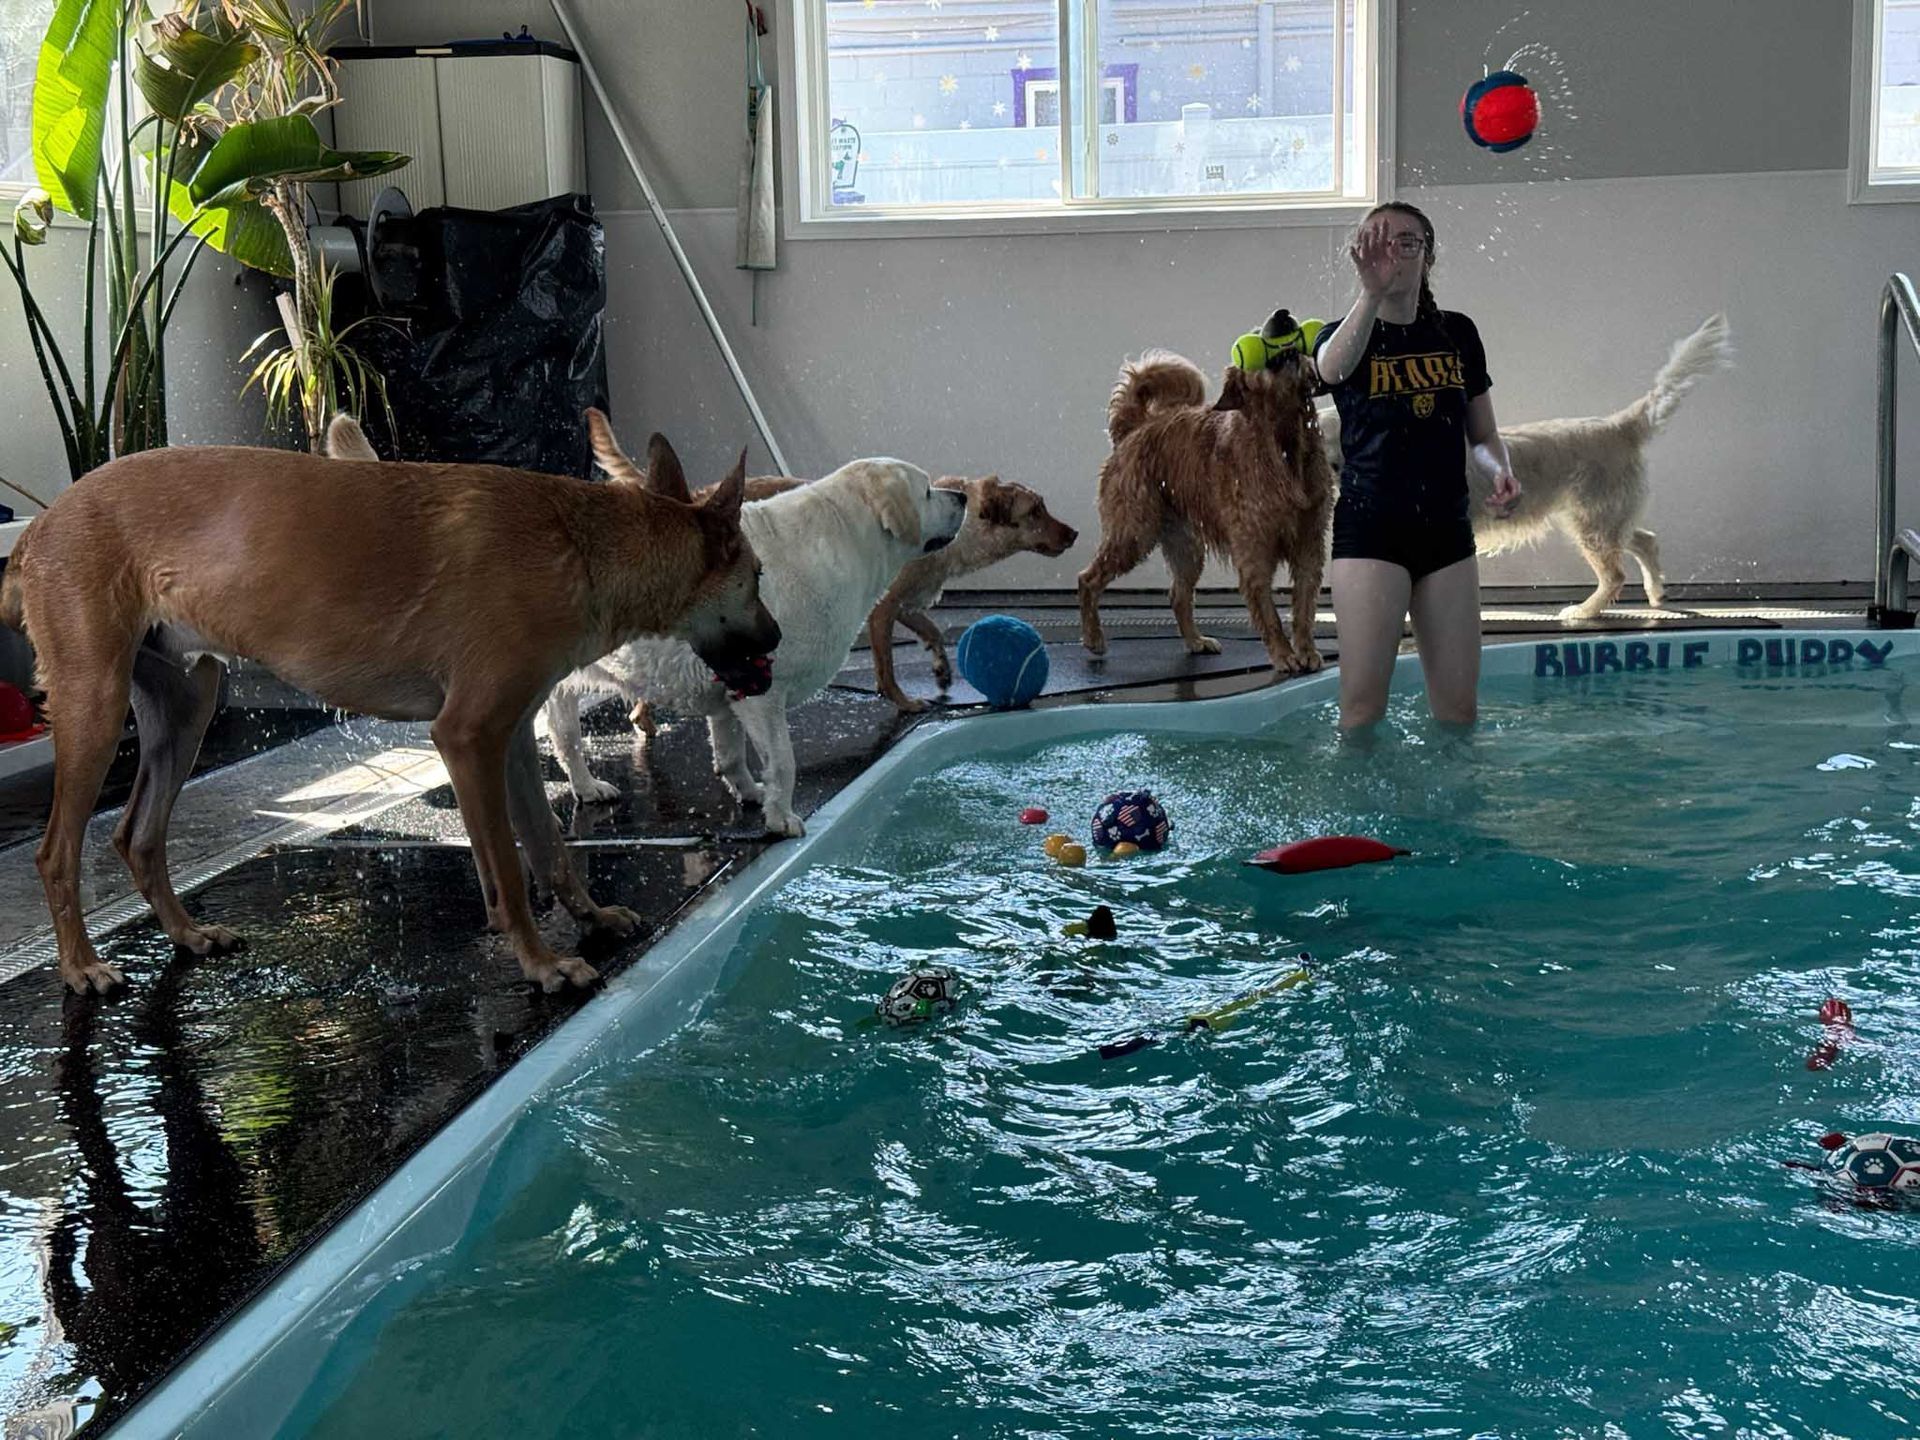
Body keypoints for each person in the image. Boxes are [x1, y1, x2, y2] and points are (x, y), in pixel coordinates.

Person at [1312, 202, 1521, 730]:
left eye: (1406, 241)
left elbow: (1484, 435)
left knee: (1458, 710)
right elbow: (1331, 370)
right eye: (1377, 241)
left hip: (1447, 534)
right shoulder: (1343, 334)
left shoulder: (1457, 333)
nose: (1393, 252)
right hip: (1372, 532)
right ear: (1360, 256)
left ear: (1427, 256)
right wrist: (1371, 294)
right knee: (1361, 710)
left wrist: (1499, 469)